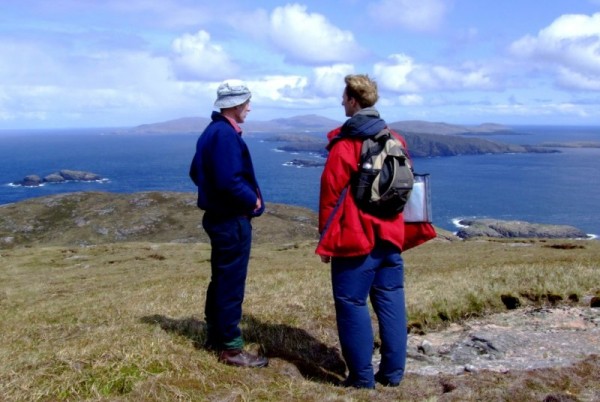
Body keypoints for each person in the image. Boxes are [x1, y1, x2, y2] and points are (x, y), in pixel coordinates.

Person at [316, 74, 423, 388]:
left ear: (352, 100)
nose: (341, 102)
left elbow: (330, 196)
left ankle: (362, 380)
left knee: (351, 303)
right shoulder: (396, 139)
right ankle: (392, 375)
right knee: (391, 300)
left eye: (343, 97)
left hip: (355, 241)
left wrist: (326, 244)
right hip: (391, 237)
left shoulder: (345, 145)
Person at [189, 79, 268, 368]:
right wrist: (252, 201)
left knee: (222, 278)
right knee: (231, 282)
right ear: (235, 105)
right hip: (231, 220)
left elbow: (196, 172)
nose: (249, 107)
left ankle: (215, 336)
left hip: (220, 217)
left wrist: (213, 194)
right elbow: (229, 180)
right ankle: (231, 348)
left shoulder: (212, 132)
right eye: (247, 102)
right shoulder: (224, 135)